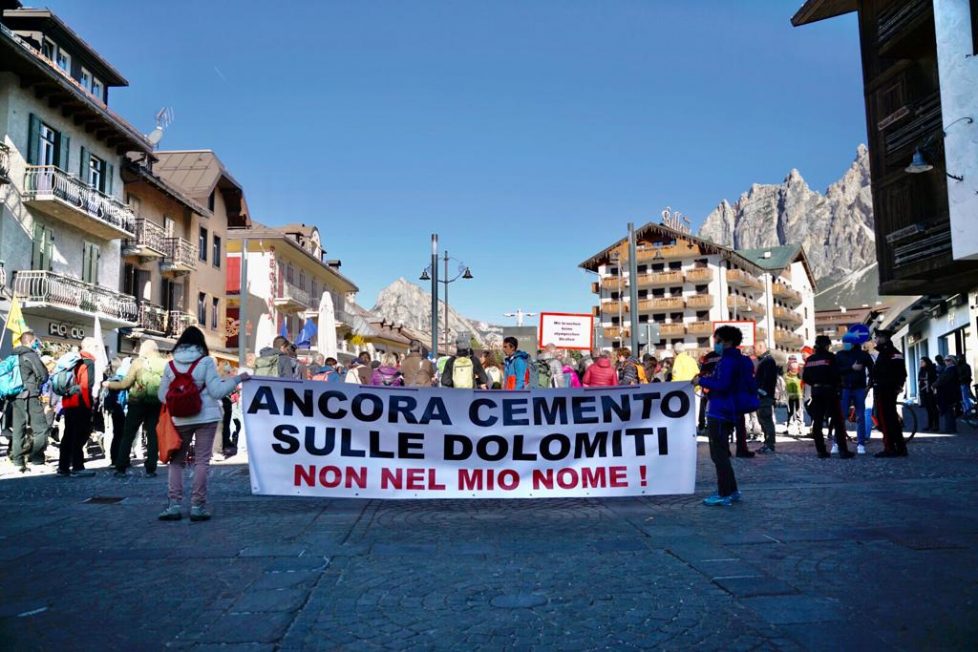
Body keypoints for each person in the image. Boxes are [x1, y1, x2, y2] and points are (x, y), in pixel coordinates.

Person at [157, 326, 250, 522]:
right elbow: (217, 392)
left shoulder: (170, 365)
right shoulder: (206, 362)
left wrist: (180, 400)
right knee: (201, 461)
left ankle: (174, 506)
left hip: (180, 419)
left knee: (176, 462)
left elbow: (162, 396)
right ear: (201, 344)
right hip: (206, 417)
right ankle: (197, 507)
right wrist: (237, 379)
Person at [694, 326, 754, 506]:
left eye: (718, 340)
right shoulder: (742, 360)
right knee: (722, 454)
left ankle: (724, 493)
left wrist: (701, 381)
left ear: (727, 341)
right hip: (731, 410)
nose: (716, 344)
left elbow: (723, 384)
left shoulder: (727, 361)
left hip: (719, 410)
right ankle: (732, 490)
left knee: (718, 455)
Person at [104, 340, 165, 477]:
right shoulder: (165, 363)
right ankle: (151, 468)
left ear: (144, 350)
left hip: (137, 402)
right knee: (152, 435)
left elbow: (125, 384)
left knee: (128, 434)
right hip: (156, 403)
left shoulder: (138, 363)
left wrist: (109, 384)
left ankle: (121, 467)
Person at [802, 335, 855, 459]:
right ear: (827, 345)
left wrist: (815, 384)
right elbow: (837, 374)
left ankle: (821, 451)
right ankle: (843, 451)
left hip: (816, 392)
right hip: (830, 392)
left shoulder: (810, 360)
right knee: (837, 421)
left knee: (817, 422)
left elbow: (805, 378)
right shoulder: (831, 357)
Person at [8, 329, 50, 473]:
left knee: (18, 429)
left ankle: (17, 460)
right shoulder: (31, 355)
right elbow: (43, 375)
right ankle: (37, 457)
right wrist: (37, 386)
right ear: (31, 341)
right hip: (30, 394)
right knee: (41, 429)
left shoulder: (12, 355)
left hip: (14, 395)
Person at [58, 337, 98, 477]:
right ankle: (77, 466)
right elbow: (87, 385)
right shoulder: (88, 362)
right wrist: (89, 406)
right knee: (80, 434)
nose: (97, 349)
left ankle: (63, 466)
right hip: (81, 403)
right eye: (96, 346)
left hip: (68, 401)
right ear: (89, 346)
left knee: (68, 434)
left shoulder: (72, 361)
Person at [871, 329, 908, 457]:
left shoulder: (886, 353)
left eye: (877, 337)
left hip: (884, 390)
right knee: (892, 419)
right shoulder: (894, 352)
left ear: (883, 338)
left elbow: (882, 373)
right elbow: (902, 374)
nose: (875, 340)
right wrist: (898, 387)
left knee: (885, 421)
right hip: (890, 390)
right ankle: (900, 447)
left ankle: (890, 447)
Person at [836, 333, 875, 455]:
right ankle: (837, 443)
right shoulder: (840, 355)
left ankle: (861, 444)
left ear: (853, 343)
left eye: (846, 342)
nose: (844, 344)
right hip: (845, 388)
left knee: (860, 417)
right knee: (841, 417)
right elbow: (836, 371)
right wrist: (851, 368)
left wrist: (869, 386)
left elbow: (873, 370)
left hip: (859, 388)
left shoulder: (863, 355)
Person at [754, 341, 778, 454]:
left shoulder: (768, 361)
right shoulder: (764, 360)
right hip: (762, 395)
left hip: (765, 396)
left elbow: (768, 380)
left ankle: (770, 444)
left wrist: (761, 392)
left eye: (755, 348)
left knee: (766, 419)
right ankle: (767, 443)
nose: (754, 351)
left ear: (761, 347)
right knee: (762, 419)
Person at [697, 349, 721, 435]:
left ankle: (704, 426)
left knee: (705, 407)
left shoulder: (708, 357)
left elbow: (702, 373)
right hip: (722, 389)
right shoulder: (726, 356)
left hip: (709, 388)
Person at [936, 355, 959, 434]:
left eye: (948, 360)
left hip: (949, 393)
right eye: (945, 360)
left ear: (952, 361)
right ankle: (950, 428)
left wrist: (935, 384)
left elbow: (944, 380)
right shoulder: (947, 369)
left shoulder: (951, 370)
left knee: (948, 411)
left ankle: (949, 429)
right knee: (949, 411)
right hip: (948, 393)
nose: (946, 361)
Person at [784, 356, 804, 434]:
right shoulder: (786, 374)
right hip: (790, 396)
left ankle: (800, 427)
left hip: (799, 396)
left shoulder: (800, 373)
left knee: (798, 412)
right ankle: (790, 426)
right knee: (790, 412)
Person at [918, 357, 939, 431]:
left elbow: (934, 380)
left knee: (933, 408)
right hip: (924, 392)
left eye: (922, 362)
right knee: (928, 409)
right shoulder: (921, 370)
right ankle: (930, 425)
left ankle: (936, 425)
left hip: (931, 392)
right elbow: (919, 380)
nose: (921, 363)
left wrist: (929, 384)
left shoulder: (931, 370)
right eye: (920, 362)